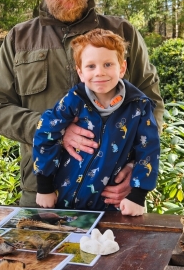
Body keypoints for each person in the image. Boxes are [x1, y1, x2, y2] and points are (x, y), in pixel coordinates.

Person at [0, 0, 164, 208]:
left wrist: (138, 169)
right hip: (43, 194)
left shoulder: (121, 33)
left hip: (114, 194)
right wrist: (53, 129)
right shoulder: (19, 39)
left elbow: (151, 104)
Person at [33, 29, 160, 215]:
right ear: (80, 72)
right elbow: (45, 131)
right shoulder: (73, 100)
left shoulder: (139, 107)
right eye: (91, 66)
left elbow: (149, 149)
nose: (99, 72)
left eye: (108, 64)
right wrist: (44, 186)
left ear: (122, 68)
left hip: (112, 206)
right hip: (62, 202)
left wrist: (137, 195)